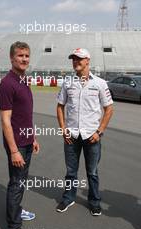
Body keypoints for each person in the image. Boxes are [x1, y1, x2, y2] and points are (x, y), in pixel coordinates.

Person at [56, 48, 113, 216]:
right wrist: (63, 129)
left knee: (92, 172)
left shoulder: (100, 83)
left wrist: (99, 131)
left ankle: (94, 201)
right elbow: (60, 106)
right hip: (72, 136)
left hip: (92, 136)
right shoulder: (67, 82)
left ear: (88, 60)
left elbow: (109, 109)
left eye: (79, 59)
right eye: (73, 59)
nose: (76, 62)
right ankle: (68, 198)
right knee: (71, 172)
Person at [0, 41, 39, 229]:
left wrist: (33, 138)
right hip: (17, 145)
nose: (24, 59)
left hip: (26, 141)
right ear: (12, 58)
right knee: (16, 184)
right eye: (20, 56)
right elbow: (6, 121)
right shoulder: (7, 84)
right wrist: (14, 150)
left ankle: (17, 209)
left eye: (27, 56)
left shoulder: (23, 80)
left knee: (21, 181)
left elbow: (24, 116)